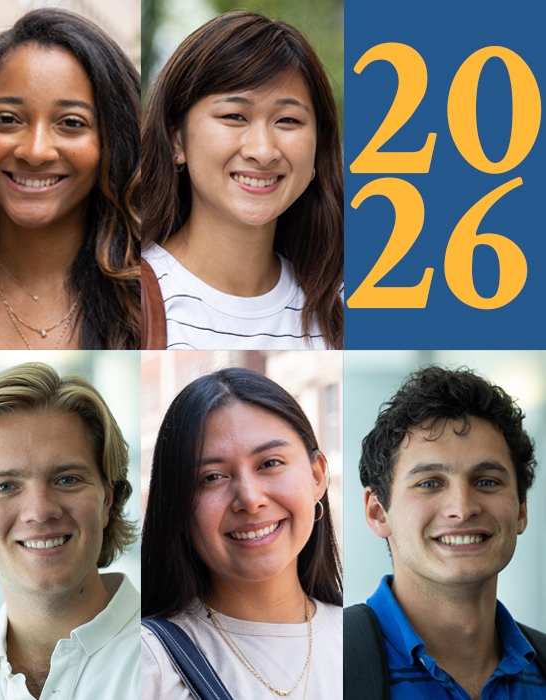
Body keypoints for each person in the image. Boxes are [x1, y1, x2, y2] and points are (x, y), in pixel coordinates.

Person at [0, 9, 153, 350]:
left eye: (71, 123)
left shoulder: (154, 298)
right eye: (7, 119)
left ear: (113, 139)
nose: (35, 151)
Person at [139, 11, 344, 350]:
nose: (263, 151)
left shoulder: (343, 306)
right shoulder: (132, 297)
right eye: (234, 116)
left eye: (288, 120)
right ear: (177, 140)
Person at [0, 362, 140, 699]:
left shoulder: (174, 659)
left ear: (109, 498)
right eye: (5, 486)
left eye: (67, 479)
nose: (39, 511)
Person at [140, 367, 342, 699]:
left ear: (317, 476)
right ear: (177, 503)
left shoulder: (365, 642)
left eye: (270, 463)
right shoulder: (150, 664)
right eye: (212, 477)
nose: (249, 499)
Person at [346, 366, 546, 699]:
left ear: (521, 509)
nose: (463, 507)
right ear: (378, 511)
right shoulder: (329, 665)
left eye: (486, 481)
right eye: (429, 483)